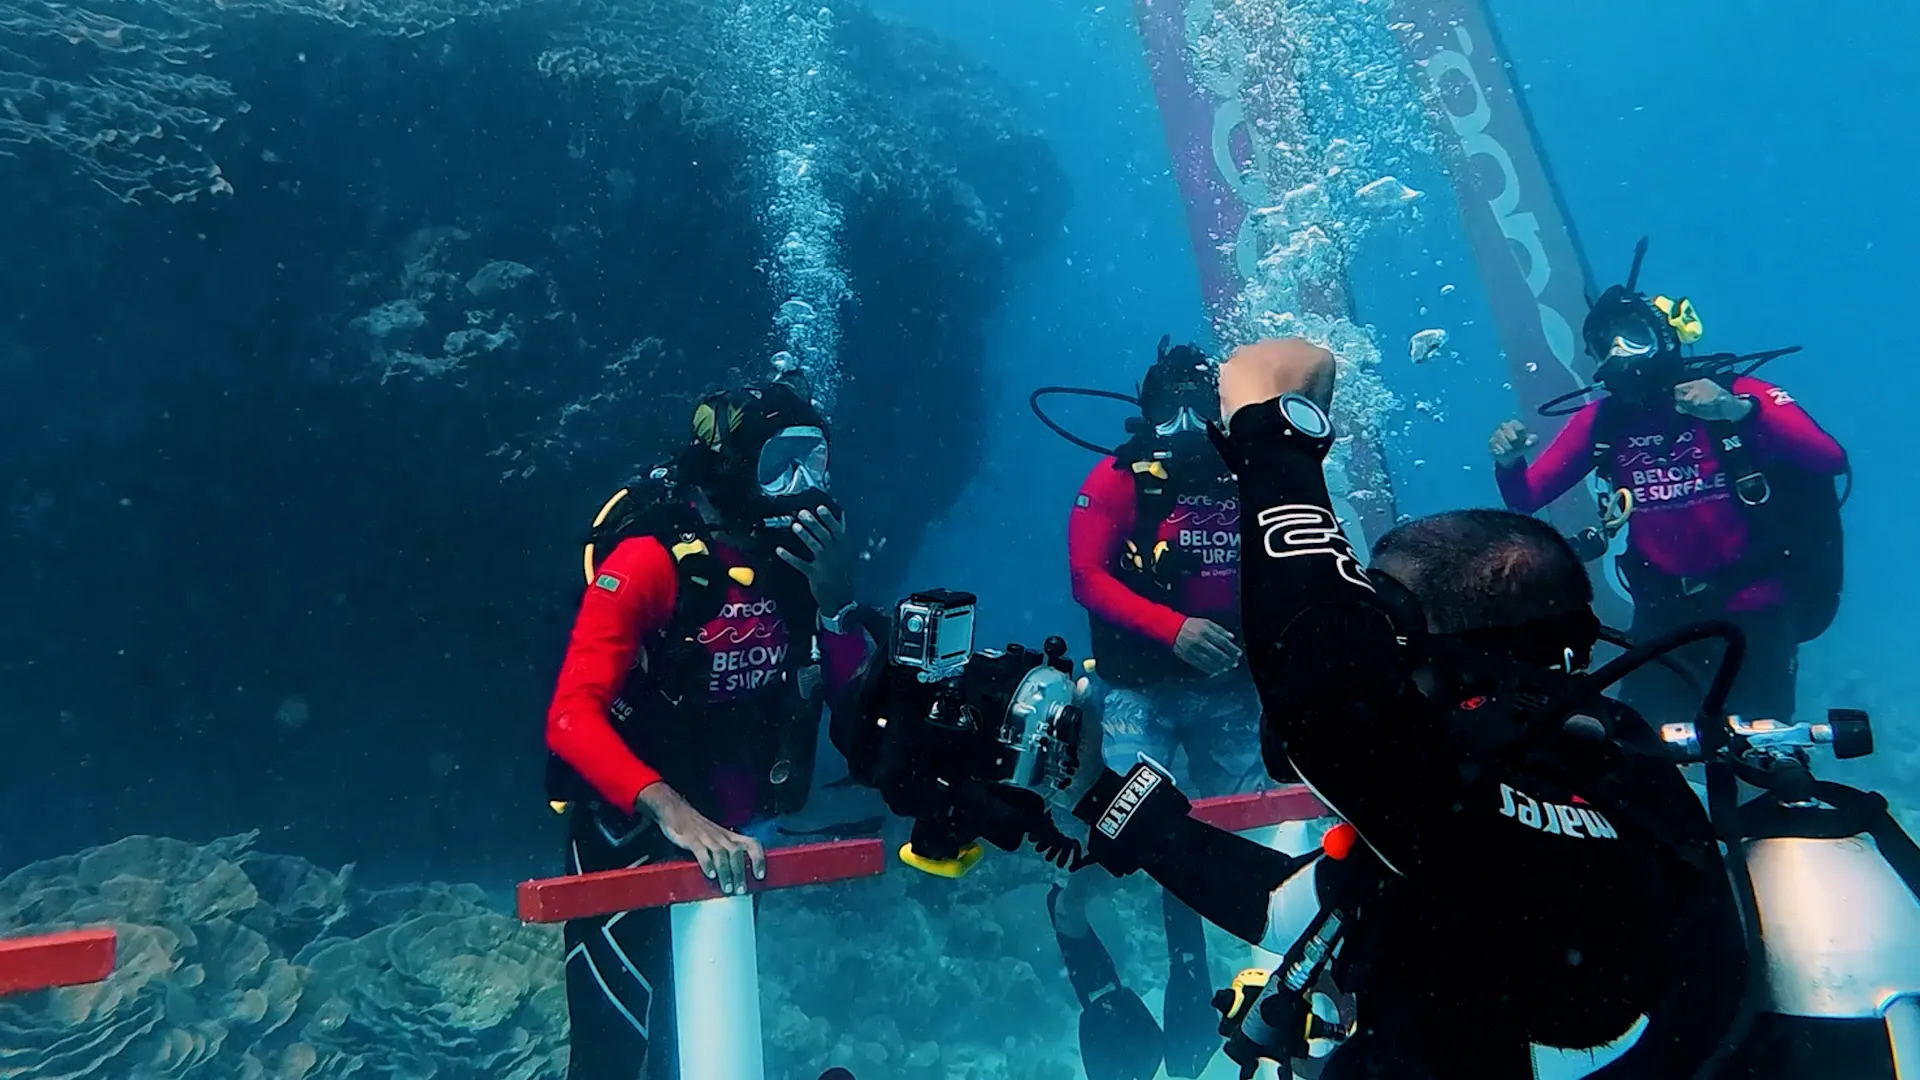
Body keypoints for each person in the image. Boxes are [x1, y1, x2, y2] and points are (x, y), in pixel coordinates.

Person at [1018, 338, 1748, 1079]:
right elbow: (1283, 900)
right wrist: (1103, 795)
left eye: (1386, 620)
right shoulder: (1626, 767)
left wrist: (1280, 441)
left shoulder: (1431, 797)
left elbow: (1332, 709)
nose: (1378, 642)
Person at [543, 372, 872, 1080]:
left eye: (816, 461)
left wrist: (839, 603)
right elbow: (572, 715)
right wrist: (674, 813)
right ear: (733, 469)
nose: (803, 484)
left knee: (699, 1041)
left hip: (737, 830)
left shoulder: (802, 566)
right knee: (613, 1050)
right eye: (781, 463)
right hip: (627, 833)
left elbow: (851, 700)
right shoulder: (653, 560)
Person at [1489, 269, 1847, 727]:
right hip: (1663, 615)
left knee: (1760, 749)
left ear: (1665, 337)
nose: (1620, 355)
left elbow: (1828, 458)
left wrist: (1735, 412)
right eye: (1607, 346)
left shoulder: (1738, 395)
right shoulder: (1604, 422)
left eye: (1632, 338)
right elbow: (1526, 498)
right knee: (1642, 752)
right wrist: (1508, 460)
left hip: (1754, 608)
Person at [1053, 337, 1268, 1080]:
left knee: (1242, 828)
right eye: (1169, 408)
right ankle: (1078, 927)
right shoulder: (1119, 480)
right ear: (1146, 412)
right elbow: (1086, 576)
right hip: (1138, 691)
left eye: (1199, 407)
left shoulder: (1251, 478)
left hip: (1231, 691)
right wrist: (1172, 629)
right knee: (1132, 833)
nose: (1185, 423)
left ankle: (1192, 965)